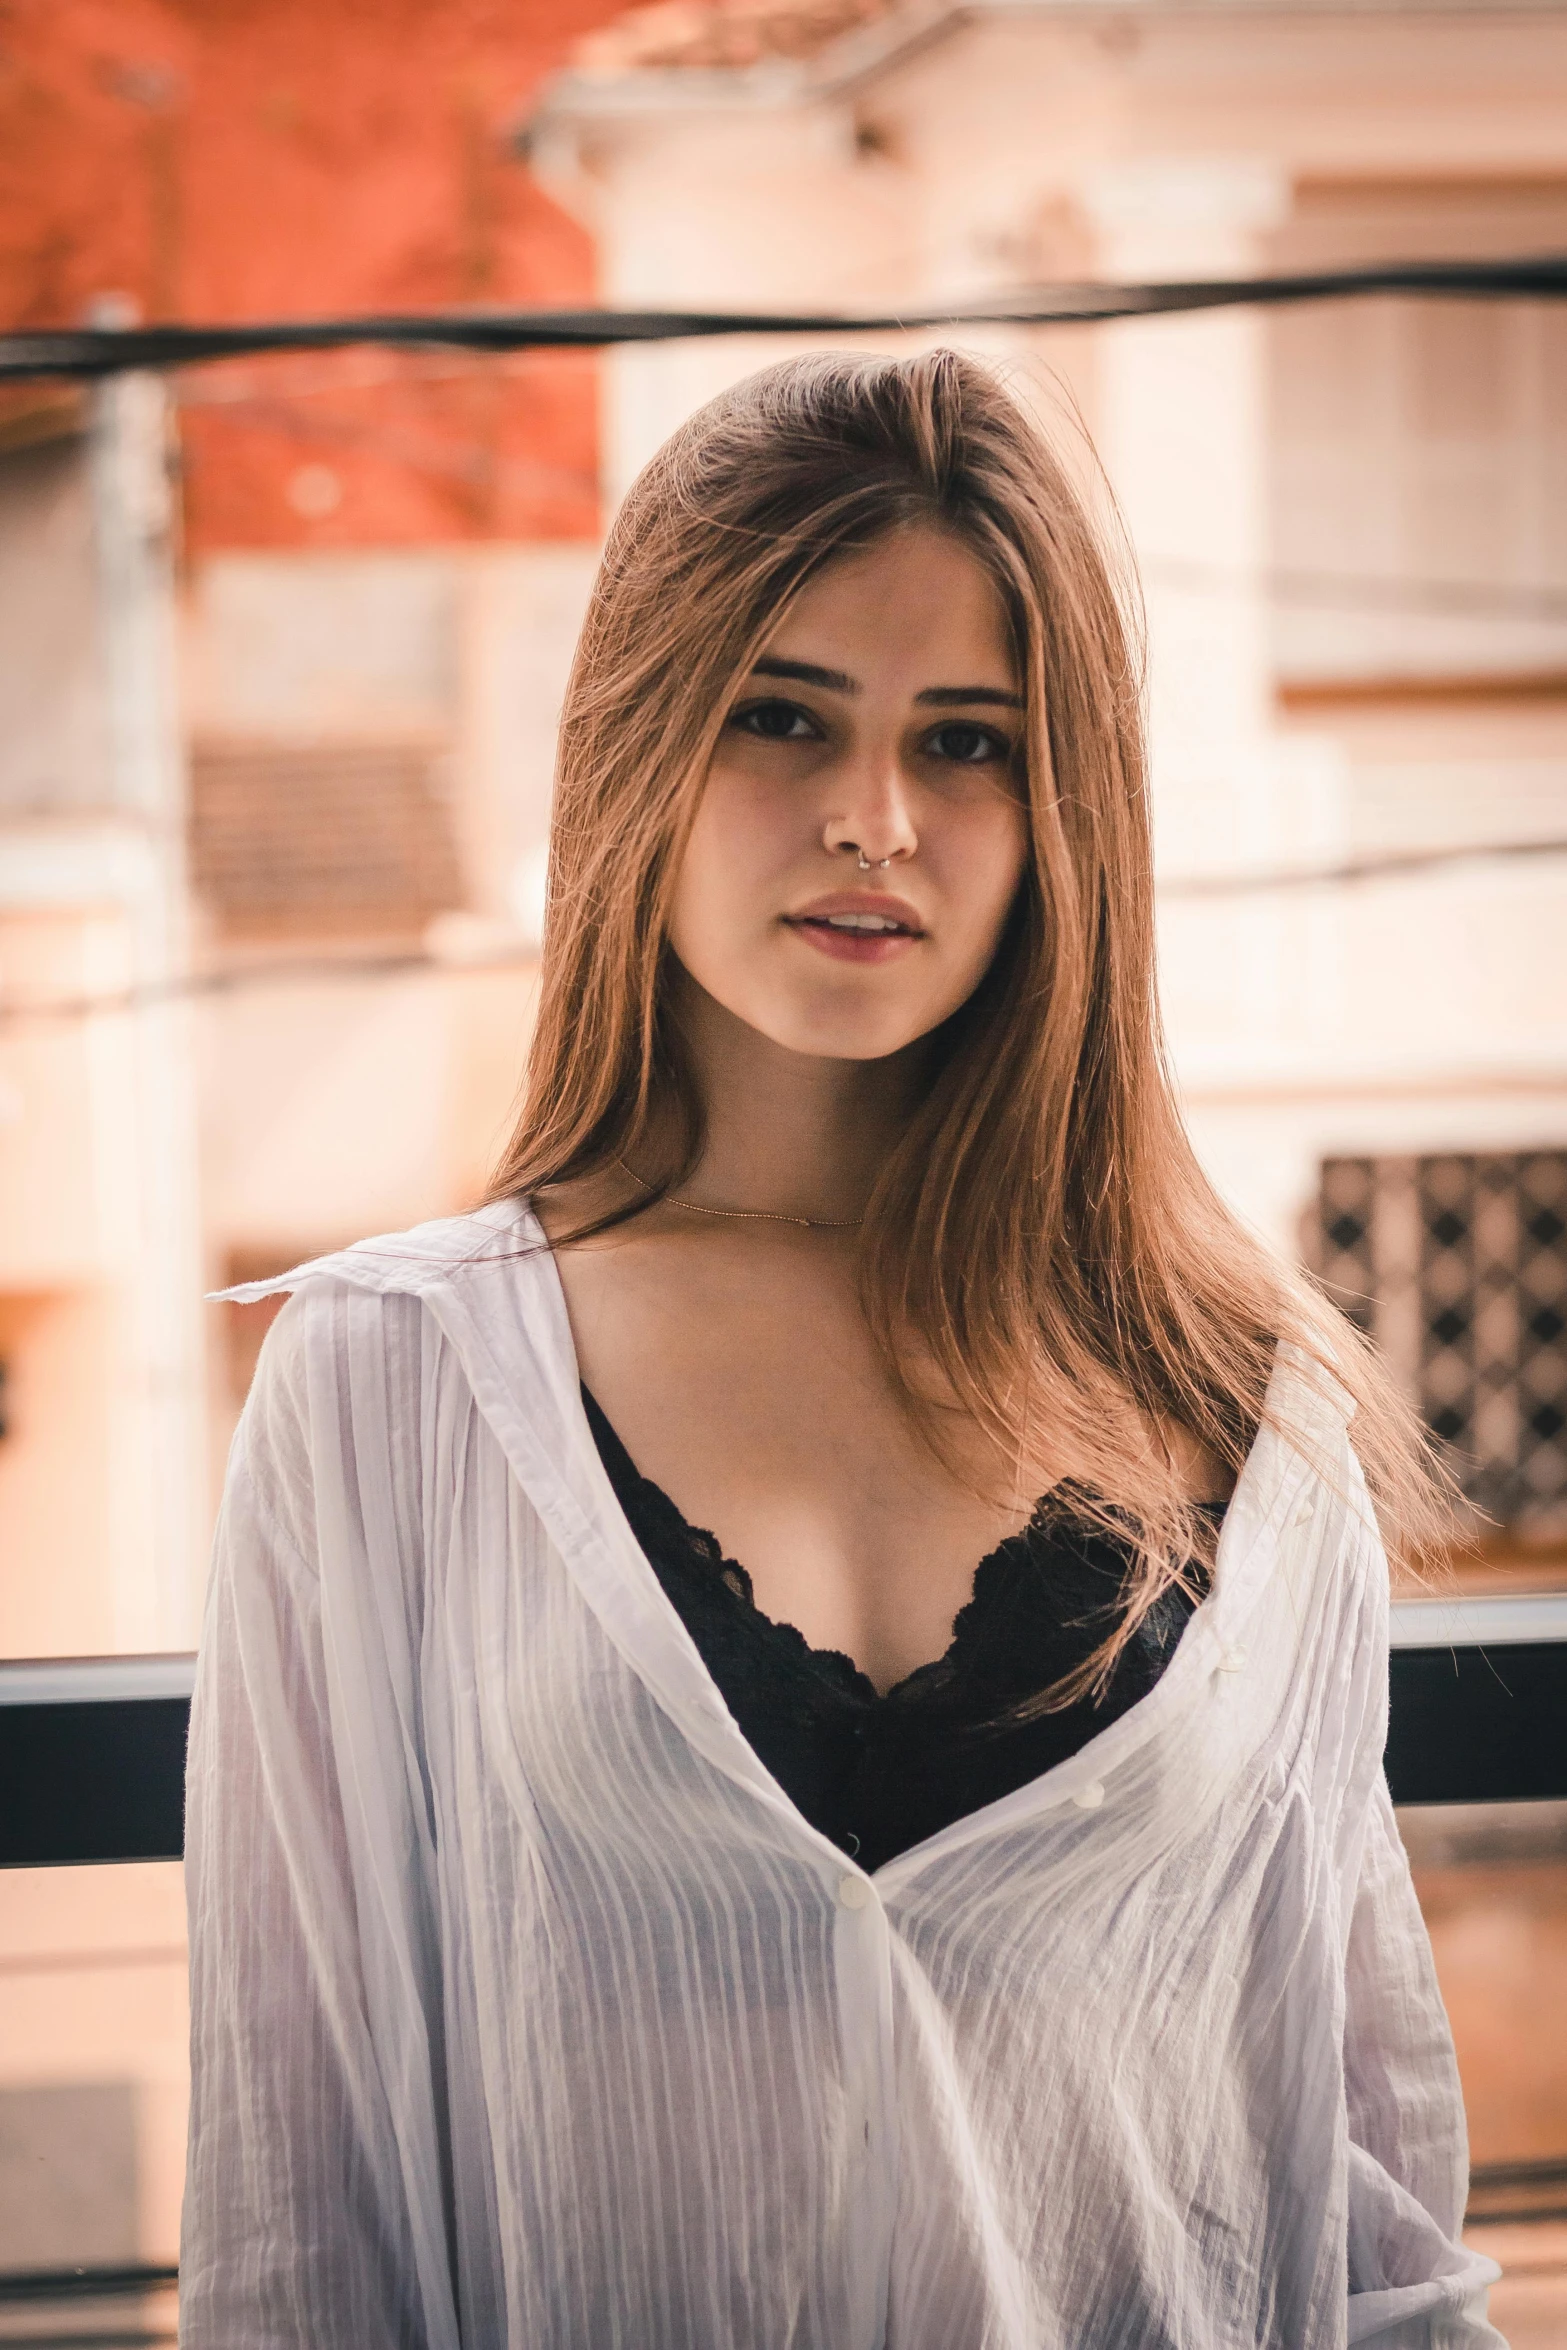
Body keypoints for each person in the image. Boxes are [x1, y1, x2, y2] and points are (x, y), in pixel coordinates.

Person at [181, 350, 1504, 2348]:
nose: (874, 818)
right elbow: (297, 2230)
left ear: (1064, 813)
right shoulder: (389, 1389)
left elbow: (1373, 2231)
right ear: (641, 741)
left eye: (967, 740)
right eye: (784, 714)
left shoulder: (1248, 1406)